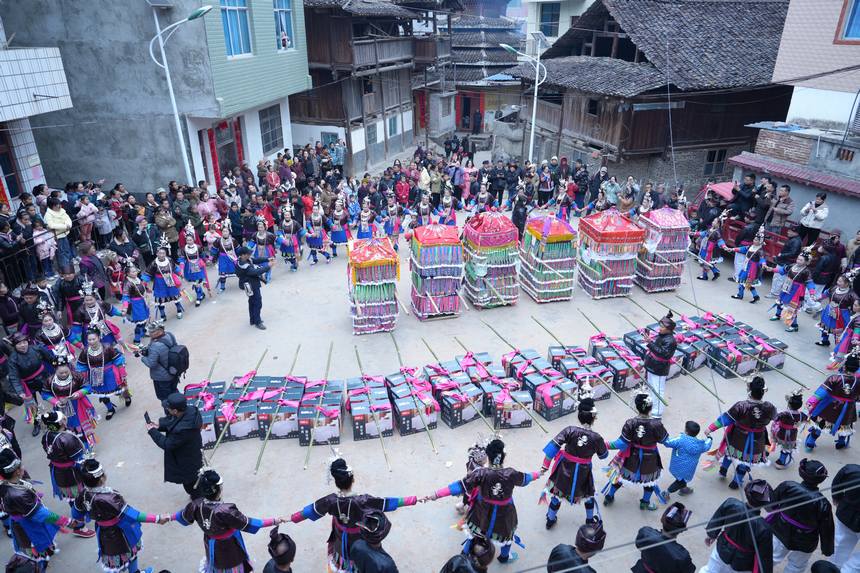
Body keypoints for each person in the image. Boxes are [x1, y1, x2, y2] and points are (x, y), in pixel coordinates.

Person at [288, 458, 418, 572]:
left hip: (340, 538)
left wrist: (291, 518)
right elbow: (387, 503)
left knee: (341, 559)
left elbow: (310, 511)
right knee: (362, 558)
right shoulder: (363, 501)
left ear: (336, 481)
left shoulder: (330, 501)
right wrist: (413, 500)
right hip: (360, 540)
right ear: (353, 479)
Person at [425, 439, 539, 563]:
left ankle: (464, 554)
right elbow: (526, 478)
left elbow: (460, 486)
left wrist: (436, 494)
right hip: (505, 513)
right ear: (503, 456)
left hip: (481, 511)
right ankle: (505, 557)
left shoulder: (480, 473)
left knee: (474, 533)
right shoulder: (511, 473)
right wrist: (538, 473)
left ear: (488, 457)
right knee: (506, 536)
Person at [165, 468, 282, 573]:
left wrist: (169, 517)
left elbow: (183, 516)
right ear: (219, 489)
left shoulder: (195, 505)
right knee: (232, 564)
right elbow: (248, 523)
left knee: (216, 562)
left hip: (210, 542)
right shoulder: (225, 510)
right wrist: (274, 521)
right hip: (229, 546)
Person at [72, 458, 164, 573]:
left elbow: (76, 513)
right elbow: (133, 515)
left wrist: (78, 522)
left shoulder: (82, 495)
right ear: (102, 478)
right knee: (131, 554)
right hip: (120, 533)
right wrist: (157, 518)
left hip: (103, 534)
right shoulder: (110, 498)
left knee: (114, 560)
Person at [0, 448, 87, 569]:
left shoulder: (10, 484)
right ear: (17, 472)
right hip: (27, 526)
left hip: (25, 518)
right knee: (36, 553)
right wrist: (67, 521)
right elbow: (40, 514)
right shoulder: (16, 494)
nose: (23, 467)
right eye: (21, 466)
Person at [540, 398, 607, 528]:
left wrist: (545, 465)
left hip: (564, 468)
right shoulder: (596, 438)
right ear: (594, 418)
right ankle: (589, 520)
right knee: (588, 495)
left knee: (557, 493)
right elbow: (603, 455)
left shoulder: (569, 430)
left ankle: (550, 519)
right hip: (584, 471)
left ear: (579, 416)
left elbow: (553, 447)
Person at [705, 376, 775, 489]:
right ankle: (736, 482)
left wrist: (711, 428)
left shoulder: (741, 406)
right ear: (763, 392)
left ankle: (723, 470)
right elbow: (775, 418)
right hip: (758, 439)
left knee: (730, 452)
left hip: (737, 437)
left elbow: (726, 419)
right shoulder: (770, 407)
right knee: (746, 460)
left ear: (749, 390)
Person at [604, 390, 669, 511]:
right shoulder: (657, 424)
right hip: (650, 459)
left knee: (620, 477)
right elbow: (666, 441)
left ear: (636, 406)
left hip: (630, 457)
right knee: (649, 482)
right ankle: (645, 503)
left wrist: (603, 445)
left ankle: (609, 496)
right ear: (651, 407)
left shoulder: (630, 423)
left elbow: (620, 443)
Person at [770, 459, 834, 573]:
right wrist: (827, 549)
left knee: (771, 557)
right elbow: (827, 529)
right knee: (796, 566)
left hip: (781, 529)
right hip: (805, 539)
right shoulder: (823, 503)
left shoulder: (788, 485)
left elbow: (772, 503)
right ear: (821, 479)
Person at [702, 479, 773, 573]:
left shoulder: (731, 503)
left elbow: (718, 518)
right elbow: (765, 556)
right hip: (743, 562)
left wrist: (711, 534)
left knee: (709, 570)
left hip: (722, 549)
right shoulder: (764, 528)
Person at [146, 392, 203, 498]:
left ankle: (198, 501)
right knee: (195, 478)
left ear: (175, 411)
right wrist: (159, 426)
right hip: (194, 452)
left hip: (186, 460)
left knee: (191, 484)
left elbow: (167, 444)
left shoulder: (182, 430)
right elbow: (174, 422)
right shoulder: (191, 411)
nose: (167, 409)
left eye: (169, 408)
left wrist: (152, 432)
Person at [805, 351, 860, 451]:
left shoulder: (834, 378)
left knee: (820, 423)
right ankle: (841, 442)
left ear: (844, 366)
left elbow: (821, 392)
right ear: (856, 369)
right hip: (848, 408)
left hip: (830, 406)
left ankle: (811, 442)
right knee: (844, 425)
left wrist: (811, 402)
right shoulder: (858, 381)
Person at [40, 356, 97, 448]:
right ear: (55, 370)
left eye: (66, 372)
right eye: (61, 373)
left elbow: (88, 387)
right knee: (68, 428)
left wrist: (78, 393)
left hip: (78, 405)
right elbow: (45, 394)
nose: (64, 374)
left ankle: (89, 447)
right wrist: (55, 402)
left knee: (83, 428)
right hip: (61, 407)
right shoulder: (50, 381)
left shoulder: (76, 376)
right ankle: (76, 447)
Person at [75, 328, 130, 419]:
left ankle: (127, 397)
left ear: (99, 338)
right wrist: (83, 379)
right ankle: (110, 409)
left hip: (110, 374)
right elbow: (81, 366)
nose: (91, 341)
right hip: (95, 376)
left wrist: (122, 372)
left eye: (94, 339)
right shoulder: (85, 352)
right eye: (89, 340)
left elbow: (118, 360)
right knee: (102, 393)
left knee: (119, 388)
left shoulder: (107, 347)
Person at [7, 331, 53, 436]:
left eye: (24, 342)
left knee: (50, 398)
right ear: (15, 346)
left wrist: (59, 364)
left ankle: (54, 416)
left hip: (43, 378)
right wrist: (20, 391)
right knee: (32, 405)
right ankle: (36, 423)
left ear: (27, 341)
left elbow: (50, 358)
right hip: (27, 385)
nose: (23, 345)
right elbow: (14, 377)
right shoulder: (12, 359)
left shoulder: (37, 348)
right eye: (19, 344)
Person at [632, 502, 696, 573]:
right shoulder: (682, 556)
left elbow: (638, 545)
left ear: (662, 519)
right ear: (682, 530)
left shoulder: (645, 532)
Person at [766, 251, 816, 332]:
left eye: (801, 260)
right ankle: (777, 315)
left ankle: (794, 325)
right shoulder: (792, 266)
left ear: (806, 262)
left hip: (796, 291)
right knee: (780, 301)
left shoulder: (806, 271)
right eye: (798, 259)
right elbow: (782, 270)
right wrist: (772, 269)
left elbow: (810, 282)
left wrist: (812, 293)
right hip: (787, 286)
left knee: (792, 308)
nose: (798, 261)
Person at [641, 311, 677, 418]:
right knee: (651, 386)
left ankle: (657, 411)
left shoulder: (671, 341)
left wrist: (649, 343)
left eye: (662, 327)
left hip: (659, 368)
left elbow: (663, 354)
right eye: (660, 325)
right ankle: (651, 405)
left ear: (669, 329)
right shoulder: (662, 335)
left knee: (658, 390)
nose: (660, 328)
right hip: (653, 365)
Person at [664, 421, 712, 497]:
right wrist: (709, 438)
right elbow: (707, 445)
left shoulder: (680, 440)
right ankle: (683, 489)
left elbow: (668, 442)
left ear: (686, 431)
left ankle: (667, 493)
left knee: (680, 481)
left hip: (677, 466)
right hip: (688, 470)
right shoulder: (700, 445)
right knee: (683, 480)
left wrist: (663, 435)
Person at [139, 320, 181, 400]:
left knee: (165, 398)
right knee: (174, 391)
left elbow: (151, 364)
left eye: (152, 332)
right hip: (173, 371)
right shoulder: (169, 335)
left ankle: (170, 410)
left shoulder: (156, 346)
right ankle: (179, 404)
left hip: (162, 377)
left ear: (159, 331)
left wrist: (143, 358)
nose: (150, 334)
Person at [831, 463, 860, 570]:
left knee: (841, 544)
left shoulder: (851, 469)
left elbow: (837, 483)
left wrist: (837, 498)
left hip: (845, 513)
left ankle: (833, 568)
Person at [143, 245, 184, 321]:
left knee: (175, 296)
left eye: (163, 253)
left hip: (170, 280)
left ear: (166, 254)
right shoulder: (154, 263)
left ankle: (179, 311)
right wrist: (144, 282)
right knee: (160, 300)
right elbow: (148, 273)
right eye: (160, 253)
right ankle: (163, 316)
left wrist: (180, 273)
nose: (161, 255)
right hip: (159, 283)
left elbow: (175, 268)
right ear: (157, 254)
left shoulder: (169, 260)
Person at [816, 272, 858, 347]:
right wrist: (818, 298)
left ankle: (838, 347)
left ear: (847, 284)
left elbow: (857, 303)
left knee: (839, 330)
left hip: (842, 314)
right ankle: (824, 340)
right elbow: (826, 293)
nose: (838, 283)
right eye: (838, 281)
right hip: (830, 310)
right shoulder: (834, 288)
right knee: (825, 325)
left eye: (840, 281)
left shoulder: (851, 294)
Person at [770, 390, 808, 470]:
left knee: (774, 440)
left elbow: (775, 418)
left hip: (781, 433)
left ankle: (768, 452)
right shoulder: (801, 415)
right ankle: (782, 461)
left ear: (789, 404)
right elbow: (806, 419)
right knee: (786, 448)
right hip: (792, 435)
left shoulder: (784, 414)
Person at [234, 246, 270, 331]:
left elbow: (256, 260)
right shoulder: (243, 265)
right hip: (250, 286)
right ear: (242, 255)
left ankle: (253, 319)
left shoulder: (246, 259)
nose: (250, 255)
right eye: (248, 254)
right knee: (257, 302)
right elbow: (255, 272)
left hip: (252, 284)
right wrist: (268, 266)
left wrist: (268, 258)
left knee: (252, 301)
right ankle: (257, 322)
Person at [730, 226, 766, 303]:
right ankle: (755, 296)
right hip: (746, 266)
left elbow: (762, 259)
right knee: (747, 283)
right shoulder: (751, 246)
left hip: (752, 269)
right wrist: (733, 249)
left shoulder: (760, 251)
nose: (754, 240)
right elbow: (742, 249)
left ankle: (740, 295)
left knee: (743, 281)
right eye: (754, 239)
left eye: (756, 240)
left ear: (760, 241)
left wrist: (763, 264)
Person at [178, 225, 210, 307]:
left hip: (198, 266)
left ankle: (199, 297)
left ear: (193, 239)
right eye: (187, 240)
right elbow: (182, 259)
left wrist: (207, 260)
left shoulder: (198, 247)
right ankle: (201, 294)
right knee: (195, 282)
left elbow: (202, 255)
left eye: (190, 240)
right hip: (189, 267)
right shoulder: (184, 249)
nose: (189, 241)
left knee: (197, 282)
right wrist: (181, 269)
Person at [766, 226, 802, 299]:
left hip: (785, 262)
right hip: (784, 261)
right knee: (779, 278)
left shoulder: (796, 241)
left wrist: (781, 255)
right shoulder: (795, 240)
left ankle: (775, 293)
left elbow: (793, 253)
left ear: (796, 233)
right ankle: (776, 292)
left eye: (790, 231)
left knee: (779, 278)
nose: (788, 232)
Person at [121, 263, 151, 345]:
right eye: (133, 272)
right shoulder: (127, 283)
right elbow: (125, 296)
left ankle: (143, 332)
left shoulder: (137, 279)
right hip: (135, 304)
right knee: (140, 322)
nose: (135, 273)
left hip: (142, 301)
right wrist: (125, 307)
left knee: (145, 319)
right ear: (128, 274)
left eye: (135, 271)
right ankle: (137, 340)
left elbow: (142, 286)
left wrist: (147, 289)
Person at [694, 215, 727, 281]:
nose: (712, 222)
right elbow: (703, 233)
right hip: (705, 247)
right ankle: (715, 272)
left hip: (710, 249)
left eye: (714, 221)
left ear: (718, 224)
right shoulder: (711, 229)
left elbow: (720, 240)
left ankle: (704, 276)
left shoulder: (717, 232)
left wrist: (724, 246)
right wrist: (693, 233)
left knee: (706, 262)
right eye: (713, 221)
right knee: (707, 262)